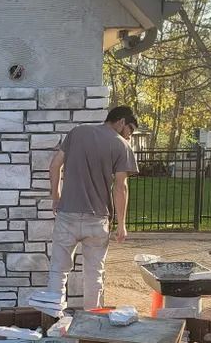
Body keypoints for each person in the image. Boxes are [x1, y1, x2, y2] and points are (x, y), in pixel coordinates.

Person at [30, 105, 139, 313]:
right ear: (122, 122)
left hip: (67, 215)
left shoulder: (77, 132)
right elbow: (120, 187)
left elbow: (55, 165)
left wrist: (56, 196)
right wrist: (122, 224)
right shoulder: (121, 146)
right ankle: (90, 327)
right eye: (130, 130)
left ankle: (54, 322)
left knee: (58, 272)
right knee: (94, 275)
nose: (130, 136)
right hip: (97, 220)